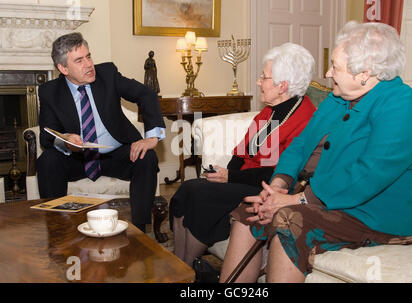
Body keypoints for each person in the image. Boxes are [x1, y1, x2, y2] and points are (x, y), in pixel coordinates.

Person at [220, 21, 412, 283]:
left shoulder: (404, 106)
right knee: (251, 208)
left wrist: (295, 200)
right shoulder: (337, 99)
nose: (327, 72)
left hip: (381, 215)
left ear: (364, 74)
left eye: (335, 65)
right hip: (336, 204)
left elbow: (367, 176)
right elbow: (300, 145)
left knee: (290, 220)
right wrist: (279, 185)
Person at [169, 43, 317, 268]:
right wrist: (225, 174)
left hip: (270, 187)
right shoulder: (269, 110)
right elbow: (242, 151)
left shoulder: (305, 117)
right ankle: (180, 264)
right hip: (243, 180)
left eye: (263, 77)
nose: (258, 81)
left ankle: (186, 267)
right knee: (189, 188)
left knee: (199, 193)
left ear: (282, 85)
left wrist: (230, 178)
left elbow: (280, 170)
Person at [37, 32, 165, 232]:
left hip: (116, 154)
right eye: (79, 60)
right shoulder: (49, 92)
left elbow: (145, 94)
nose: (88, 64)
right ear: (63, 68)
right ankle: (58, 230)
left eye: (89, 56)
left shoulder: (107, 74)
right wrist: (66, 141)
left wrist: (152, 137)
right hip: (77, 159)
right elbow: (46, 137)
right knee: (48, 160)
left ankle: (140, 230)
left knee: (146, 156)